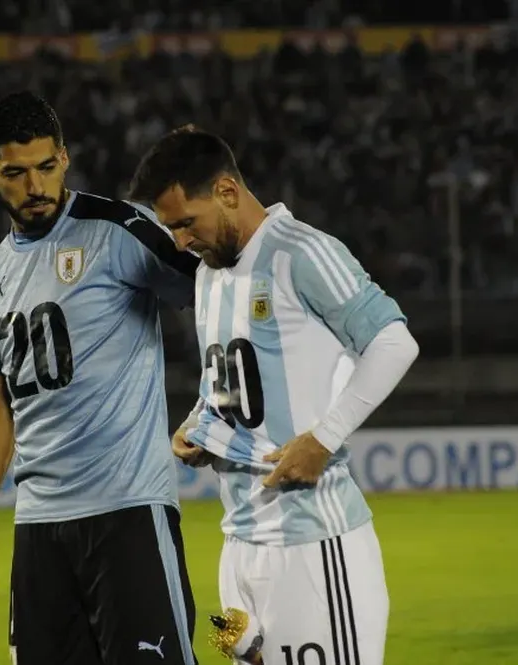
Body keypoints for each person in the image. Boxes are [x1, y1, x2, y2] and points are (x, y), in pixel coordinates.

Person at [128, 126, 420, 665]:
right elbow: (231, 377)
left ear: (227, 192)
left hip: (312, 545)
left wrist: (324, 439)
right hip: (236, 547)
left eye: (185, 223)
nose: (179, 242)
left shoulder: (302, 252)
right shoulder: (208, 275)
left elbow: (395, 341)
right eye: (171, 228)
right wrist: (197, 424)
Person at [0, 91, 201, 665]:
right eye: (15, 172)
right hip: (39, 527)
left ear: (64, 158)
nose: (35, 186)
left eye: (45, 166)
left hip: (128, 512)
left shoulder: (119, 229)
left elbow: (213, 291)